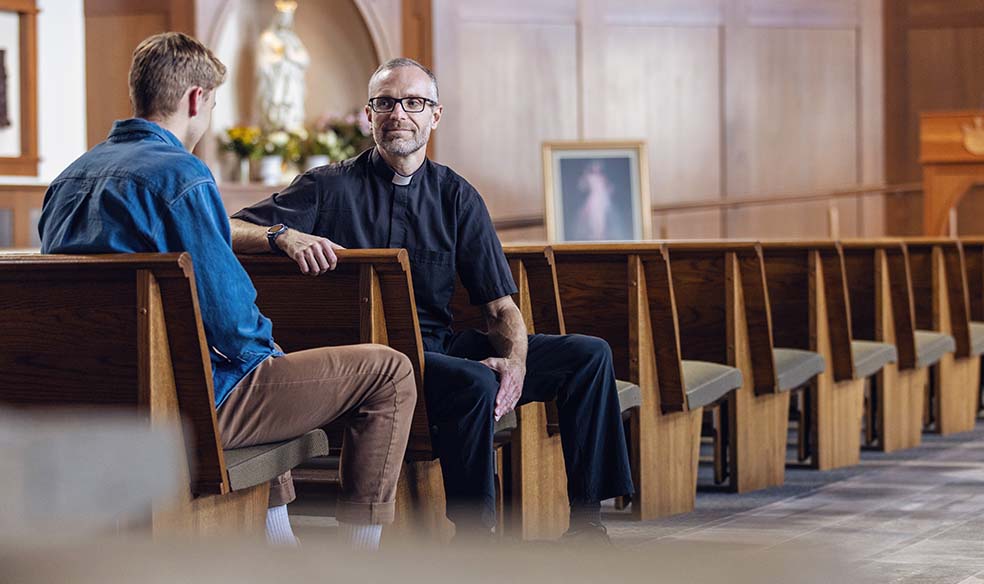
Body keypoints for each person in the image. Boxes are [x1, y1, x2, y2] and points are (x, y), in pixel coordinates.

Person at [37, 32, 415, 551]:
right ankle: (360, 559)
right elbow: (231, 322)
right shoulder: (181, 175)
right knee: (388, 371)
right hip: (181, 407)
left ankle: (278, 542)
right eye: (212, 104)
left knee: (260, 360)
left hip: (84, 402)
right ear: (196, 99)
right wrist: (269, 350)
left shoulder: (67, 179)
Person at [229, 58, 633, 542]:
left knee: (588, 356)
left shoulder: (457, 197)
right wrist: (282, 235)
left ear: (434, 116)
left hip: (437, 348)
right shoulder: (327, 186)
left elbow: (500, 308)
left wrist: (518, 362)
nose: (399, 114)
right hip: (368, 365)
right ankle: (473, 536)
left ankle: (588, 525)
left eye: (413, 103)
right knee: (473, 380)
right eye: (386, 103)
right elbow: (225, 226)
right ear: (370, 114)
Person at [256, 0, 310, 131]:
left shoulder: (292, 39)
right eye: (283, 17)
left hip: (291, 82)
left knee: (291, 107)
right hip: (276, 82)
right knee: (275, 109)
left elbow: (305, 59)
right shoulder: (268, 38)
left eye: (288, 18)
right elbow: (262, 62)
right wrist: (279, 59)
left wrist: (290, 56)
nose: (285, 21)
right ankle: (274, 129)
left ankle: (292, 129)